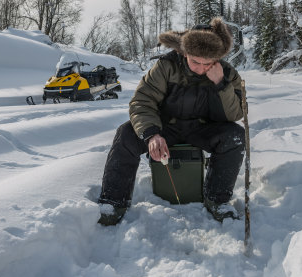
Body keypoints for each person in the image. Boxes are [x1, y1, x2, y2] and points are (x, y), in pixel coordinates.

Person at [97, 17, 245, 225]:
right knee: (126, 134)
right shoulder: (166, 66)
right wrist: (152, 134)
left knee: (235, 136)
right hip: (166, 127)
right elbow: (142, 101)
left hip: (203, 129)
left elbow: (234, 114)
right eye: (195, 61)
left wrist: (221, 84)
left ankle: (217, 200)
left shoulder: (227, 73)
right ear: (184, 53)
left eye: (207, 63)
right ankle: (113, 202)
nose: (201, 69)